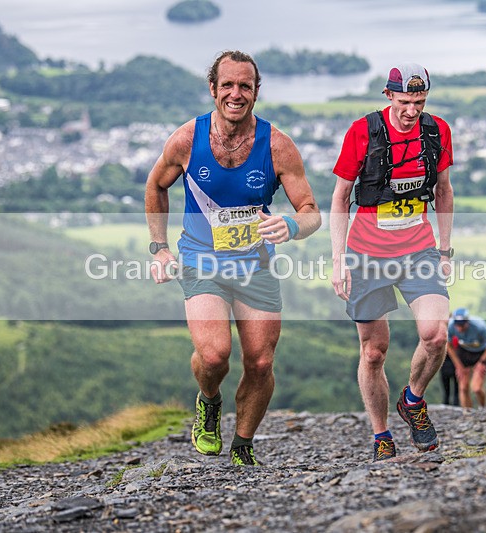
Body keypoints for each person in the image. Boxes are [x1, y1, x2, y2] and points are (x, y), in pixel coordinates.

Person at [145, 50, 320, 466]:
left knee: (260, 360)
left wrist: (291, 226)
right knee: (214, 355)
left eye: (245, 85)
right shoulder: (188, 139)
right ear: (213, 88)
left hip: (255, 264)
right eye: (228, 85)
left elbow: (311, 211)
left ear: (256, 91)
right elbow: (155, 187)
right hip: (201, 259)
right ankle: (209, 401)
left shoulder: (277, 146)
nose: (236, 94)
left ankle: (242, 445)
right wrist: (159, 247)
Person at [330, 63, 455, 462]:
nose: (411, 111)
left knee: (436, 335)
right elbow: (340, 198)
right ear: (389, 96)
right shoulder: (362, 132)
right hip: (366, 253)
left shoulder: (436, 132)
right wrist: (338, 259)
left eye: (419, 102)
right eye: (404, 102)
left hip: (418, 248)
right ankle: (381, 435)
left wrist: (445, 249)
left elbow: (444, 191)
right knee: (374, 352)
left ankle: (413, 401)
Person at [446, 308, 486, 408]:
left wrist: (482, 361)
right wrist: (458, 366)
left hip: (480, 353)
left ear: (467, 322)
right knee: (463, 388)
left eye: (462, 325)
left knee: (476, 388)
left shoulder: (479, 326)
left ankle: (482, 408)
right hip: (464, 352)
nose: (460, 329)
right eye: (458, 325)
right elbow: (449, 346)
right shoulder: (451, 326)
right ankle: (467, 414)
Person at [439, 339, 460, 406]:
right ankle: (451, 402)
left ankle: (451, 402)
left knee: (453, 387)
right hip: (450, 366)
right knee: (451, 387)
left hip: (453, 366)